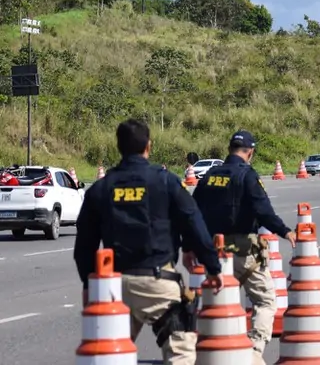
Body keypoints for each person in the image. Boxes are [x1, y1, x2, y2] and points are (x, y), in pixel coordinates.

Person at [73, 118, 224, 365]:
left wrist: (89, 283)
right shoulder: (165, 181)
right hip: (158, 283)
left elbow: (84, 245)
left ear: (118, 147)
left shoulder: (100, 189)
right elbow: (194, 223)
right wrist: (213, 266)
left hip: (114, 286)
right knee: (181, 354)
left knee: (110, 356)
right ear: (148, 146)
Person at [183, 129, 295, 364]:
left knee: (218, 303)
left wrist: (189, 246)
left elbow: (192, 213)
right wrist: (284, 230)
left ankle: (210, 352)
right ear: (250, 152)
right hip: (243, 251)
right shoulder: (247, 175)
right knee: (265, 301)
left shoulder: (210, 175)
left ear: (229, 149)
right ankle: (253, 354)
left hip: (214, 252)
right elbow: (262, 210)